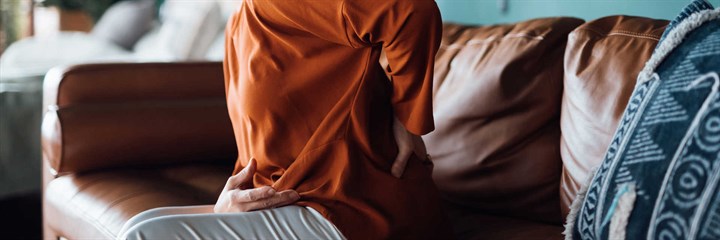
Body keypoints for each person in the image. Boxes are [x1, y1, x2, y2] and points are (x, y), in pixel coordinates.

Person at [119, 0, 451, 239]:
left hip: (354, 211)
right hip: (296, 203)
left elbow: (412, 11)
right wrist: (229, 204)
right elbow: (261, 146)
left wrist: (408, 121)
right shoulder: (240, 24)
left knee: (146, 234)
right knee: (139, 224)